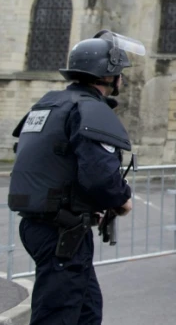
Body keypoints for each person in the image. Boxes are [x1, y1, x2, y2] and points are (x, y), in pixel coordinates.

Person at [7, 30, 145, 324]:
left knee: (86, 310)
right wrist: (122, 199)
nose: (122, 78)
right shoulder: (91, 110)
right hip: (62, 231)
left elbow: (47, 159)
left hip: (41, 225)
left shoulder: (49, 104)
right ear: (110, 76)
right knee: (58, 315)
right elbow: (100, 176)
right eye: (119, 72)